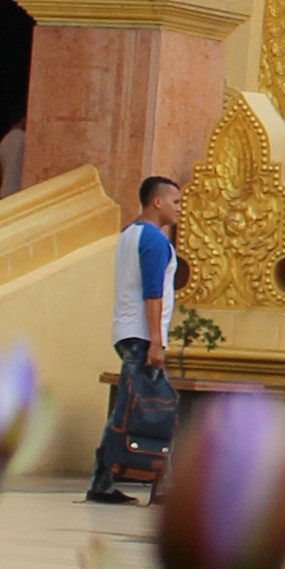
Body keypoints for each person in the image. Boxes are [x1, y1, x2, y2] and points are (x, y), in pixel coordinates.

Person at [88, 171, 186, 502]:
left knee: (135, 405)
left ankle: (152, 481)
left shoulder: (129, 233)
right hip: (142, 335)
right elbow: (153, 293)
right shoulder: (155, 240)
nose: (179, 209)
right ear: (156, 202)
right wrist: (156, 341)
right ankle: (114, 481)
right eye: (175, 202)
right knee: (145, 408)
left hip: (127, 330)